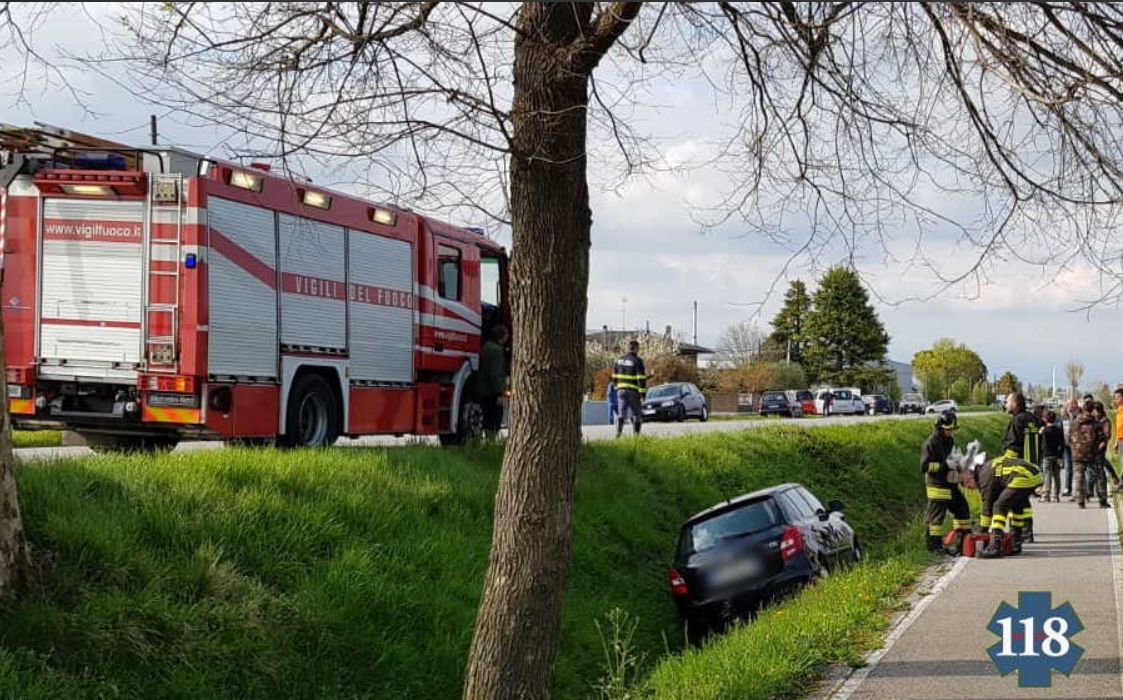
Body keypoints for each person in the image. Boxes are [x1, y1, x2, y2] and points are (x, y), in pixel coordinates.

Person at [921, 412, 971, 554]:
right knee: (937, 519)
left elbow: (951, 457)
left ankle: (964, 541)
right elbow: (924, 467)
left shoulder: (949, 441)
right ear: (940, 428)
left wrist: (959, 460)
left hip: (950, 484)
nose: (951, 432)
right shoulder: (930, 443)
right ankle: (934, 547)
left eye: (952, 429)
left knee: (962, 509)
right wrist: (945, 465)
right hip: (937, 486)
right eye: (948, 429)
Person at [978, 453, 1043, 558]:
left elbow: (987, 505)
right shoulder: (989, 467)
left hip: (1023, 475)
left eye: (964, 483)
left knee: (999, 506)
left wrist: (982, 531)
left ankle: (995, 546)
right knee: (1016, 506)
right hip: (1035, 474)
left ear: (970, 474)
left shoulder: (984, 475)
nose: (968, 487)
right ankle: (1016, 543)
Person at [1001, 392, 1041, 540]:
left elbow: (1013, 446)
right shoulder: (1033, 419)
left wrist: (1004, 465)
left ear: (1015, 404)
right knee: (1023, 499)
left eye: (1007, 401)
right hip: (1032, 466)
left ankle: (1020, 531)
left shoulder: (1017, 421)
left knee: (1014, 500)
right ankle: (1026, 531)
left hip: (1018, 468)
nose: (1005, 404)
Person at [1070, 398, 1107, 509]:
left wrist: (1074, 447)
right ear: (1092, 410)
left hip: (1077, 454)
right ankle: (1102, 500)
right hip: (1093, 454)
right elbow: (1102, 439)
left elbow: (1069, 437)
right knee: (1099, 476)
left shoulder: (1074, 423)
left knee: (1079, 477)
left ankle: (1081, 501)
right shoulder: (1096, 424)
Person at [474, 325, 509, 438]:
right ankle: (491, 439)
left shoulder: (486, 347)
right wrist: (500, 393)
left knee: (486, 417)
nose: (508, 337)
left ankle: (487, 438)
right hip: (492, 392)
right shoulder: (497, 351)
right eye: (506, 334)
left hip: (483, 390)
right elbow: (496, 374)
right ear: (502, 336)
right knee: (495, 418)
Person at [612, 340, 647, 437]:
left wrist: (616, 386)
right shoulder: (637, 361)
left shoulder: (619, 360)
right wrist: (643, 394)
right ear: (636, 348)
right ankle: (636, 437)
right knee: (636, 413)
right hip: (633, 391)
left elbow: (614, 375)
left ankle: (618, 433)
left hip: (620, 390)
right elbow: (641, 378)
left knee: (621, 413)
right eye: (638, 348)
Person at [1093, 401, 1119, 490]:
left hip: (1101, 444)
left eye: (1094, 410)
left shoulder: (1105, 420)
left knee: (1101, 463)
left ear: (1098, 410)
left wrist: (1103, 442)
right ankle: (1113, 476)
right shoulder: (1095, 419)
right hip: (1095, 445)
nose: (1093, 412)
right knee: (1103, 461)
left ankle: (1104, 485)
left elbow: (1107, 434)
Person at [1040, 410, 1065, 502]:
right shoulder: (1058, 430)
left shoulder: (1044, 431)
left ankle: (1046, 494)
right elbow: (1062, 444)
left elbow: (1042, 444)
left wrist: (1040, 433)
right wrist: (1060, 456)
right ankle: (1056, 495)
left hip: (1047, 455)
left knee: (1047, 475)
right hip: (1056, 455)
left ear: (1046, 419)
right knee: (1056, 476)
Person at [1062, 398, 1080, 499]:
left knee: (1077, 468)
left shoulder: (1079, 416)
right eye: (1069, 405)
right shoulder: (1063, 416)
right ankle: (1067, 488)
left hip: (1077, 445)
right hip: (1066, 445)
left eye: (1073, 404)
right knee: (1068, 467)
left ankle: (1078, 489)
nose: (1071, 407)